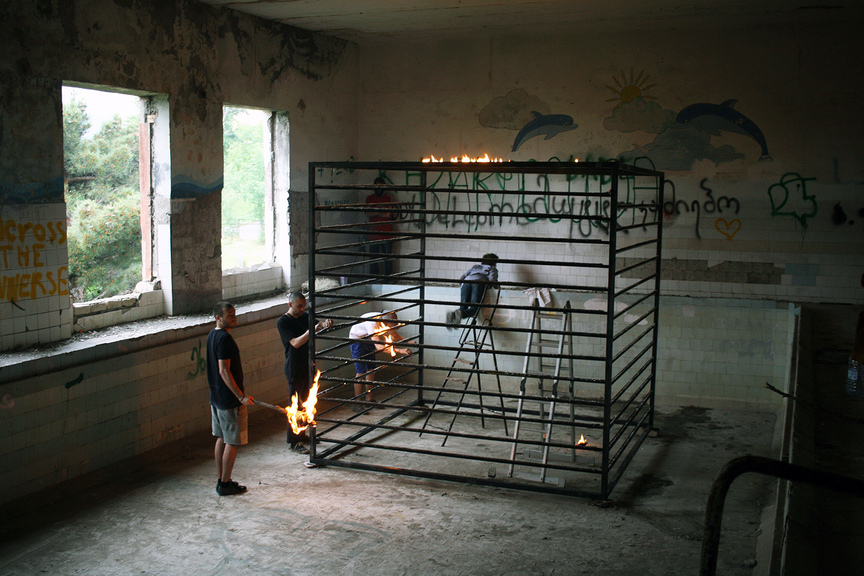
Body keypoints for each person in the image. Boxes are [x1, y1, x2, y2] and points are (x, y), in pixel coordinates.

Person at [207, 301, 254, 496]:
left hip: (216, 398)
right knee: (232, 441)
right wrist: (240, 396)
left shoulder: (212, 334)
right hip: (228, 400)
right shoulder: (224, 339)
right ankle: (225, 484)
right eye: (229, 315)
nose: (234, 318)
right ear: (218, 318)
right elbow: (224, 370)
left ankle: (221, 479)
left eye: (234, 314)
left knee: (221, 438)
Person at [276, 291, 333, 453]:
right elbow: (294, 343)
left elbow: (318, 324)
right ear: (290, 305)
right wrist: (311, 331)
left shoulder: (304, 316)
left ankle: (302, 434)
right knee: (294, 404)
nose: (302, 309)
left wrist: (325, 324)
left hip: (308, 364)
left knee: (307, 402)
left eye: (303, 306)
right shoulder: (283, 322)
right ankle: (294, 440)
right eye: (299, 306)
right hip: (294, 366)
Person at [348, 311, 411, 411]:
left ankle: (369, 400)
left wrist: (408, 341)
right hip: (357, 341)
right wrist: (399, 350)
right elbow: (378, 347)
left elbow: (393, 333)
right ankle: (357, 402)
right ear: (386, 322)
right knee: (361, 372)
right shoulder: (373, 323)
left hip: (368, 339)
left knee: (371, 369)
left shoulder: (384, 319)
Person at [446, 253, 499, 330]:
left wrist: (462, 286)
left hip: (466, 283)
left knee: (463, 307)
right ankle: (458, 314)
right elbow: (492, 280)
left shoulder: (475, 267)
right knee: (475, 309)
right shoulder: (492, 268)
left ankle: (453, 314)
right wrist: (494, 286)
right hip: (478, 283)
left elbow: (462, 277)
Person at [365, 176, 395, 276]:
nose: (378, 188)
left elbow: (388, 214)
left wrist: (374, 211)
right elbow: (367, 213)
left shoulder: (387, 198)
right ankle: (375, 278)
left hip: (386, 233)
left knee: (387, 258)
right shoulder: (369, 198)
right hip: (374, 233)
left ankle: (388, 278)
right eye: (376, 186)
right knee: (373, 258)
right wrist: (381, 210)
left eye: (380, 186)